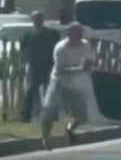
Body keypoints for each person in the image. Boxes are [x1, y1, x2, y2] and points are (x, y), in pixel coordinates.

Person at [41, 22, 93, 150]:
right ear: (69, 34)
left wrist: (87, 66)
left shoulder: (85, 45)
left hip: (75, 85)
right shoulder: (61, 48)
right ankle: (45, 139)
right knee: (49, 110)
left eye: (81, 34)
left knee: (82, 117)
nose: (79, 37)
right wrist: (80, 68)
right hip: (59, 82)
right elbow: (61, 70)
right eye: (76, 34)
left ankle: (69, 129)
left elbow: (89, 60)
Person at [20, 11, 60, 123]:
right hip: (35, 67)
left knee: (51, 91)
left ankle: (53, 115)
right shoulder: (28, 36)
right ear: (32, 21)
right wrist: (23, 63)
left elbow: (58, 49)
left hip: (50, 66)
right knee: (31, 92)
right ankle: (26, 116)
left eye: (40, 19)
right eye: (36, 20)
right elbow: (24, 51)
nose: (38, 22)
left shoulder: (52, 34)